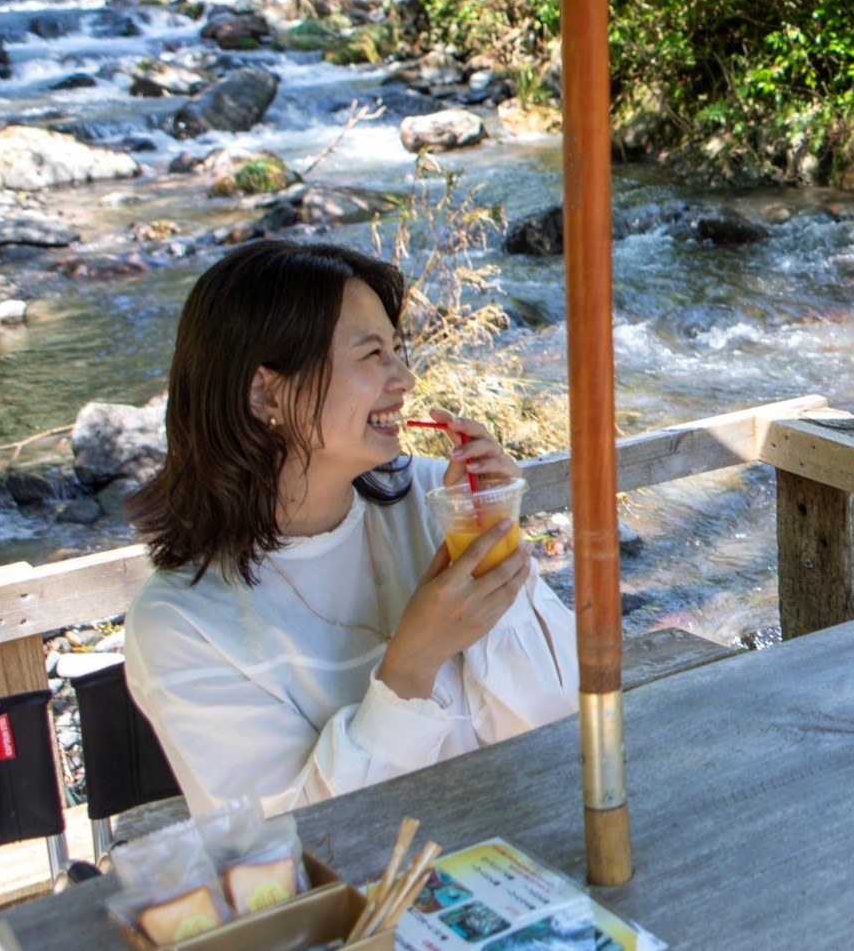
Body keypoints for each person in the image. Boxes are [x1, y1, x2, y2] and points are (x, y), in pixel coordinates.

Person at [123, 241, 574, 816]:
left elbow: (554, 719)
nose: (405, 379)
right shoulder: (182, 624)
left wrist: (493, 540)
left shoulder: (440, 503)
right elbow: (294, 844)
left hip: (518, 847)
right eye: (372, 355)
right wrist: (411, 665)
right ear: (265, 392)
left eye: (397, 350)